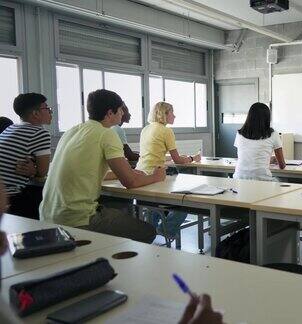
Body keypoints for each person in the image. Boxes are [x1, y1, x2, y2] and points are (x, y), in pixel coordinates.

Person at [0, 181, 222, 324]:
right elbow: (131, 179)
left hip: (60, 217)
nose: (5, 237)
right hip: (82, 218)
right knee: (145, 232)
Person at [40, 89, 165, 243]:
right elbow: (130, 183)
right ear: (110, 113)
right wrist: (156, 176)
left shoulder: (72, 131)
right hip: (77, 218)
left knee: (116, 206)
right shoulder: (107, 134)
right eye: (120, 110)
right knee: (147, 232)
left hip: (47, 215)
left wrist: (130, 172)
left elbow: (87, 171)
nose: (122, 114)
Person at [136, 102, 200, 239]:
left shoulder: (146, 129)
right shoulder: (166, 131)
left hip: (140, 173)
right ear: (165, 114)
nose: (174, 116)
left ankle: (150, 232)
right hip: (155, 175)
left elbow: (152, 153)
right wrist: (192, 158)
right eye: (172, 112)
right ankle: (167, 230)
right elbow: (177, 160)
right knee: (184, 204)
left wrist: (171, 158)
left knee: (151, 205)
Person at [0, 94, 52, 220]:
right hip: (11, 199)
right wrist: (35, 171)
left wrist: (33, 170)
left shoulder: (9, 129)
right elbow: (42, 172)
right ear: (35, 113)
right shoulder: (40, 133)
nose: (51, 112)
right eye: (47, 108)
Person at [233, 102, 286, 181]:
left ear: (249, 116)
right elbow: (282, 165)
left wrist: (268, 159)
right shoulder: (273, 134)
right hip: (262, 180)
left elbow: (245, 158)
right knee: (284, 181)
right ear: (267, 118)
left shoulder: (239, 134)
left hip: (239, 179)